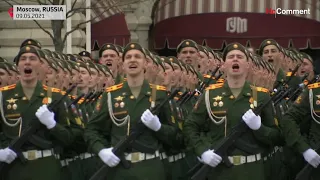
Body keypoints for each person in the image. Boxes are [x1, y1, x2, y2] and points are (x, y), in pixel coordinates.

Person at [183, 43, 280, 180]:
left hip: (251, 170)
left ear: (248, 65)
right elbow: (190, 126)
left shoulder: (262, 96)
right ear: (223, 65)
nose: (235, 59)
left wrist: (259, 128)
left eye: (240, 57)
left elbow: (276, 136)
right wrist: (203, 151)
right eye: (231, 57)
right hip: (220, 171)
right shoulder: (210, 94)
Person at [84, 42, 180, 180]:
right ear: (122, 64)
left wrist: (159, 128)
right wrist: (102, 150)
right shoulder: (111, 95)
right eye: (128, 57)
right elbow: (92, 130)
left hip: (150, 169)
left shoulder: (160, 94)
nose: (132, 60)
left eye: (137, 57)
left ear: (146, 63)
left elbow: (177, 137)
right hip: (120, 170)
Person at [0, 46, 74, 180]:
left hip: (46, 167)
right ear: (18, 66)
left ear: (40, 65)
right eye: (23, 59)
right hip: (13, 167)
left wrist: (52, 125)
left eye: (32, 59)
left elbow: (69, 138)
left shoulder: (56, 96)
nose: (27, 62)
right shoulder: (3, 96)